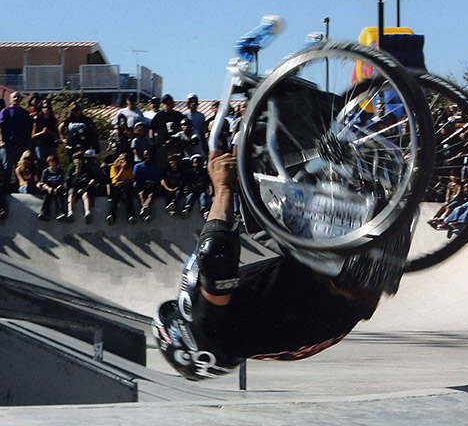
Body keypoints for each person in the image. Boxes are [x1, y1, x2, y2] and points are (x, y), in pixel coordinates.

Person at [154, 150, 396, 380]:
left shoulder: (256, 344)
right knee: (259, 188)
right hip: (337, 264)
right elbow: (214, 256)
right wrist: (222, 187)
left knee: (260, 207)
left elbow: (361, 308)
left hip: (373, 270)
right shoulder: (210, 327)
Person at [0, 92, 33, 190]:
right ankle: (6, 186)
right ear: (10, 99)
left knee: (20, 165)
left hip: (21, 144)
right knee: (7, 165)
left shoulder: (24, 113)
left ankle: (19, 186)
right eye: (14, 97)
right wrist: (1, 140)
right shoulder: (5, 111)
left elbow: (29, 127)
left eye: (18, 97)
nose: (16, 99)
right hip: (8, 144)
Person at [65, 151, 95, 223]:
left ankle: (87, 212)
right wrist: (76, 174)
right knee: (71, 194)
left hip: (83, 187)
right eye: (75, 159)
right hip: (73, 187)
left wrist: (84, 188)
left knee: (85, 195)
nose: (77, 161)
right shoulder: (71, 167)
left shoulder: (86, 167)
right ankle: (70, 212)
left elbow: (92, 180)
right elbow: (69, 182)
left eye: (79, 159)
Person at [107, 153, 136, 225]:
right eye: (122, 160)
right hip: (116, 187)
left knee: (126, 197)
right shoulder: (114, 167)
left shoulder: (128, 168)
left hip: (125, 187)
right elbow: (115, 180)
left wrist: (123, 183)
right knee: (115, 199)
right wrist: (122, 169)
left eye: (125, 160)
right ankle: (112, 216)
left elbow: (130, 180)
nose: (124, 161)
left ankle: (131, 216)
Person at [133, 149, 161, 222]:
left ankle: (144, 209)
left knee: (150, 195)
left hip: (152, 186)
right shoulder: (138, 166)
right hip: (142, 186)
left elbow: (157, 179)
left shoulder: (155, 167)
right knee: (141, 194)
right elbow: (136, 178)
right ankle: (146, 210)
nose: (148, 158)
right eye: (146, 156)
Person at [182, 154, 212, 220]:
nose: (197, 164)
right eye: (195, 162)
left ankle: (204, 211)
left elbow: (207, 181)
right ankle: (187, 209)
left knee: (203, 197)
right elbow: (188, 182)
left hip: (202, 190)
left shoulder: (204, 172)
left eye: (199, 162)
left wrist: (209, 189)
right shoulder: (190, 173)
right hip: (193, 190)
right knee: (191, 196)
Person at [31, 98, 59, 169]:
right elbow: (33, 135)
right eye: (45, 107)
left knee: (52, 162)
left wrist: (50, 132)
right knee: (41, 162)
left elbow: (57, 134)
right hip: (40, 144)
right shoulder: (38, 119)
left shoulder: (53, 120)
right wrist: (41, 133)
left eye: (48, 107)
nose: (47, 109)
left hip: (50, 144)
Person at [37, 155, 66, 221]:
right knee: (47, 196)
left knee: (60, 195)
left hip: (57, 188)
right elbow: (42, 183)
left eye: (54, 161)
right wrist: (48, 188)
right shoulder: (45, 171)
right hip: (48, 188)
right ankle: (44, 213)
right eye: (51, 161)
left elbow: (62, 182)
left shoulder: (60, 171)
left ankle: (60, 212)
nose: (53, 163)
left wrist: (57, 188)